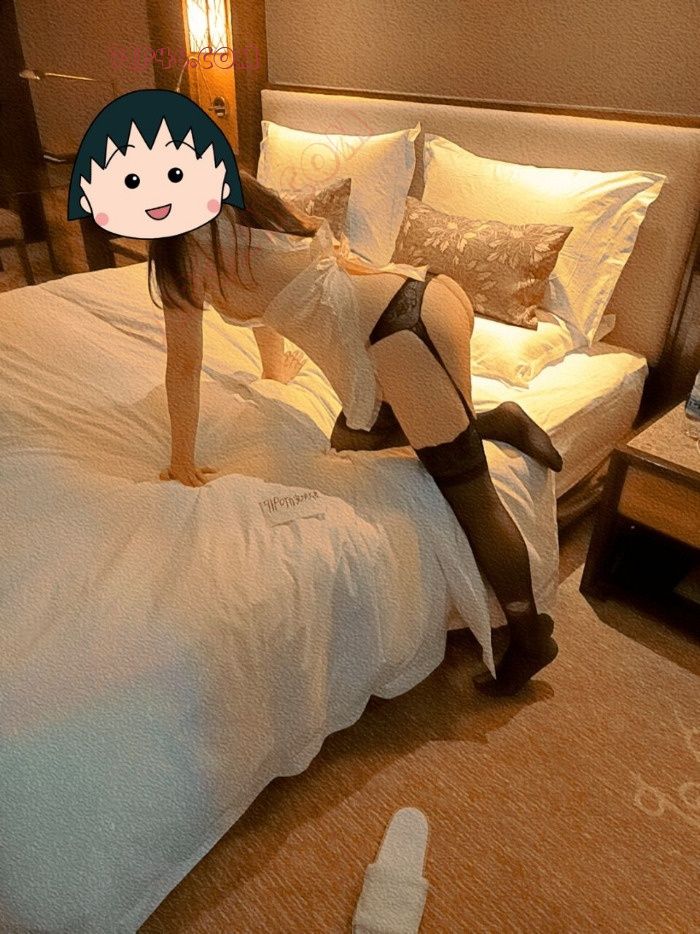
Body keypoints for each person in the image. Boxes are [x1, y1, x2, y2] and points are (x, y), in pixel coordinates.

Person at [68, 90, 560, 696]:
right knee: (353, 439)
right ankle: (498, 420)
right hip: (422, 296)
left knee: (470, 494)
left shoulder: (180, 252)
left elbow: (184, 363)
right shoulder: (250, 200)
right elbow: (270, 294)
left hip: (401, 330)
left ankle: (530, 638)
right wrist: (273, 371)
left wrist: (181, 460)